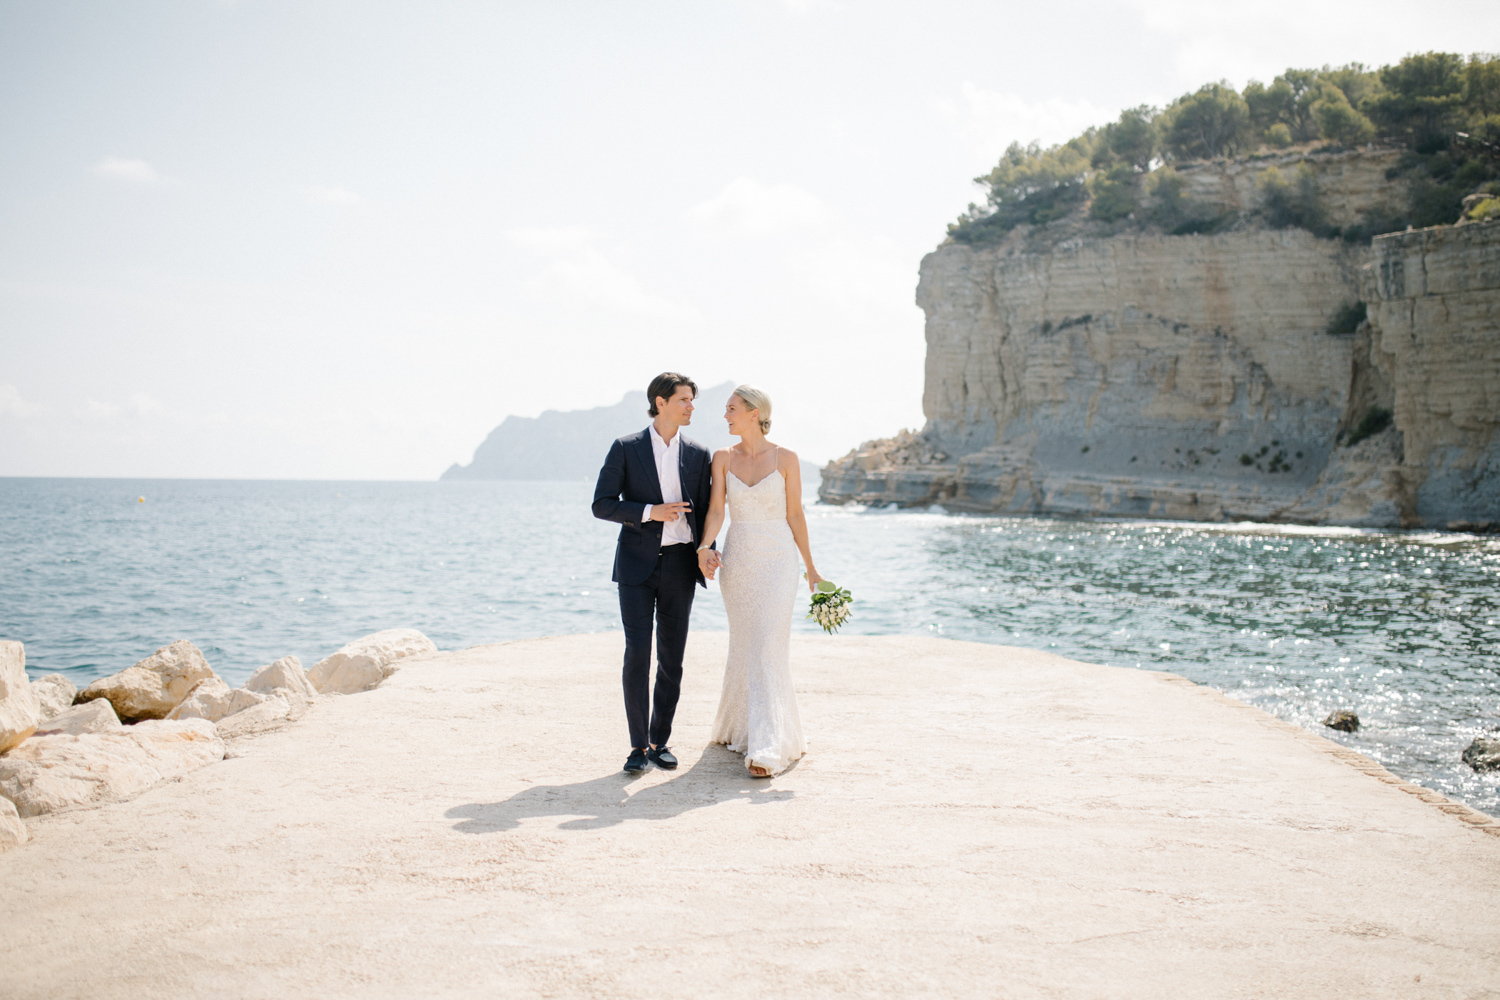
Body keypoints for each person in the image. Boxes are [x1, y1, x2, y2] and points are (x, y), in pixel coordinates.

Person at [592, 372, 715, 774]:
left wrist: (707, 552)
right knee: (637, 655)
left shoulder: (699, 454)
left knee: (672, 658)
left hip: (680, 564)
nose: (691, 407)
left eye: (692, 400)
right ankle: (636, 746)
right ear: (660, 402)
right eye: (684, 400)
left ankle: (660, 741)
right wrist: (649, 513)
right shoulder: (626, 448)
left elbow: (708, 515)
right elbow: (602, 504)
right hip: (636, 567)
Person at [697, 385, 820, 777]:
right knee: (747, 643)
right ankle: (741, 727)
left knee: (769, 643)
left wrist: (811, 568)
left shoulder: (786, 458)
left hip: (780, 561)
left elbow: (796, 515)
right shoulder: (722, 458)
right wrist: (704, 547)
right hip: (740, 560)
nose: (725, 415)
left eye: (731, 409)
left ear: (754, 412)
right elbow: (717, 510)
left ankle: (769, 746)